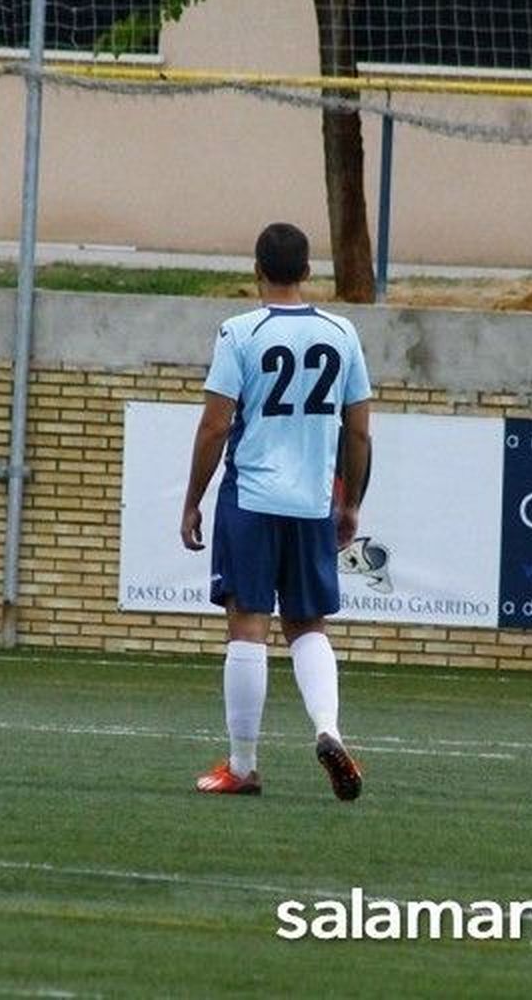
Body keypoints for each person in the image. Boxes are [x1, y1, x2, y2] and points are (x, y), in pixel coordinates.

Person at [180, 222, 372, 801]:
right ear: (309, 272)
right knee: (308, 626)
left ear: (257, 271)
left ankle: (242, 766)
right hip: (313, 501)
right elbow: (358, 432)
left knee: (248, 625)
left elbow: (216, 424)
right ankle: (328, 730)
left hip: (253, 498)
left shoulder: (240, 331)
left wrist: (192, 499)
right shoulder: (342, 333)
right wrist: (352, 502)